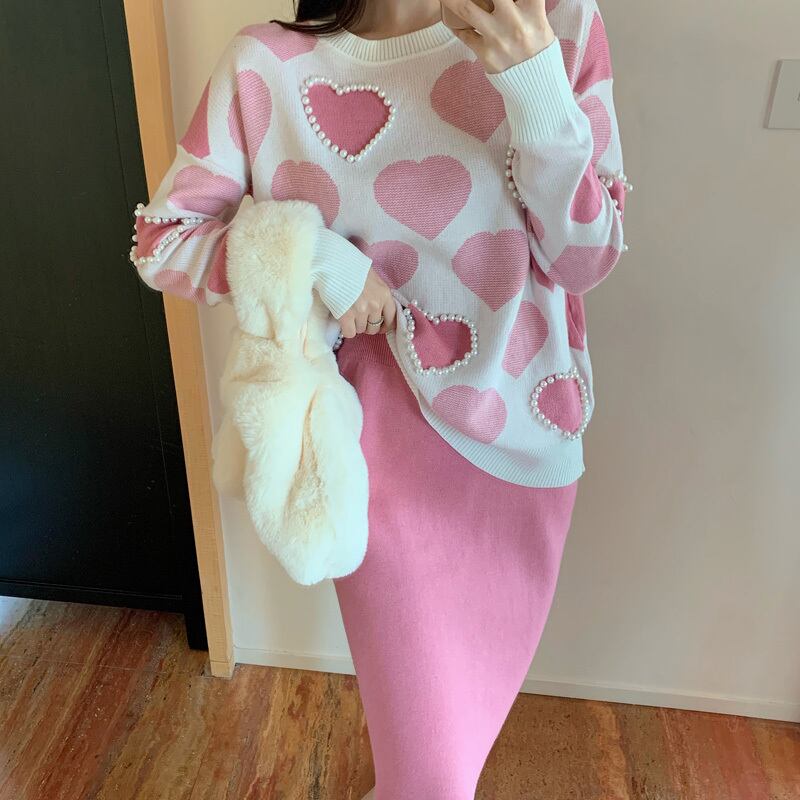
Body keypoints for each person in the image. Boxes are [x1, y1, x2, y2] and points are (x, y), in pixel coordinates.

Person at [129, 0, 631, 797]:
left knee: (449, 753)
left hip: (527, 438)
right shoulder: (267, 67)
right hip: (375, 451)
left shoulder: (553, 22)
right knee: (433, 776)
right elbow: (163, 241)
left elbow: (586, 261)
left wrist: (536, 86)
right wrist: (316, 258)